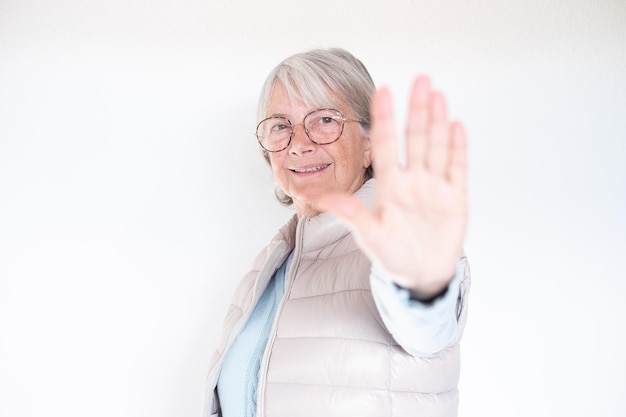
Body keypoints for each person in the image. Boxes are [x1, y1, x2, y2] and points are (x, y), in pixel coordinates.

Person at [203, 48, 471, 417]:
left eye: (325, 119)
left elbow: (425, 326)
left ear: (369, 143)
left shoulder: (400, 243)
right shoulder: (267, 268)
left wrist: (420, 285)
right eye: (280, 126)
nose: (299, 143)